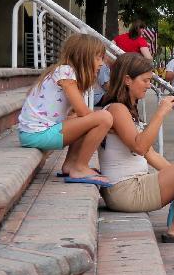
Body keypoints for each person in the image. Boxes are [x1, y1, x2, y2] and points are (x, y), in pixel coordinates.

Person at [97, 53, 174, 244]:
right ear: (127, 80)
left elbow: (151, 153)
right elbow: (140, 147)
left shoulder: (126, 109)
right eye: (145, 80)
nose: (149, 85)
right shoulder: (116, 109)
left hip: (133, 186)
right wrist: (161, 112)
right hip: (125, 191)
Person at [17, 33, 113, 187]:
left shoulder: (66, 72)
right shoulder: (66, 72)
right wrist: (105, 127)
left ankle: (70, 165)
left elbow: (77, 115)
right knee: (104, 118)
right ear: (83, 57)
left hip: (34, 133)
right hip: (37, 134)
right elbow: (83, 112)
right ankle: (80, 167)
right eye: (98, 58)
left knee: (85, 120)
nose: (101, 64)